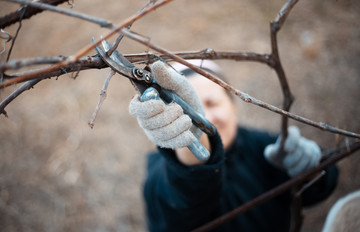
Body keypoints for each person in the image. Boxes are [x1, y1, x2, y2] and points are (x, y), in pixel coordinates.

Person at [129, 60, 338, 232]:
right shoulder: (161, 175)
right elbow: (184, 191)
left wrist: (313, 169)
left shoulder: (265, 147)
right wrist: (191, 136)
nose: (205, 118)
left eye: (212, 103)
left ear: (233, 105)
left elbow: (317, 189)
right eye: (188, 109)